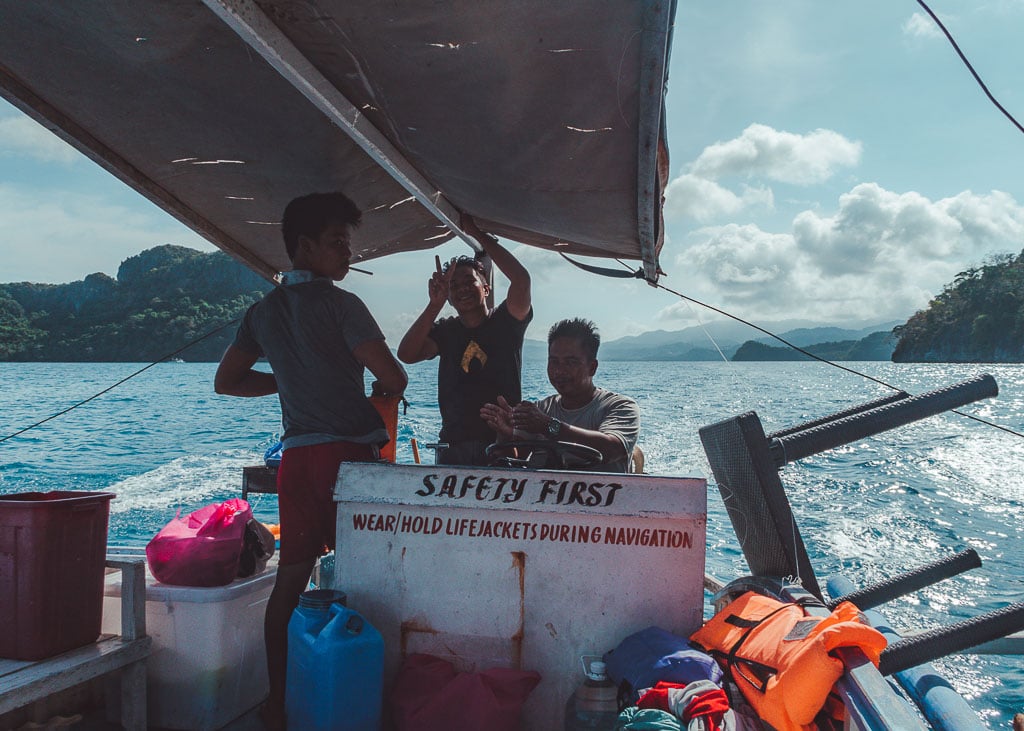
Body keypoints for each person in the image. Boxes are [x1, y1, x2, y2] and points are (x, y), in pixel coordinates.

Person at [213, 191, 407, 731]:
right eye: (337, 244)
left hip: (297, 462)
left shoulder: (262, 312)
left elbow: (225, 382)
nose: (347, 255)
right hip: (350, 461)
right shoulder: (343, 306)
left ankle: (277, 703)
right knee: (372, 577)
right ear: (304, 247)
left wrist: (289, 381)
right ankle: (369, 694)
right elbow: (394, 379)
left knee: (290, 582)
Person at [397, 214, 532, 465]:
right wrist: (434, 305)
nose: (462, 288)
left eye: (469, 281)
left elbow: (522, 281)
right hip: (453, 446)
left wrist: (478, 235)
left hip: (501, 445)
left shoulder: (507, 322)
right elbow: (406, 354)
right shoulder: (446, 331)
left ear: (486, 288)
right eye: (454, 286)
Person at [480, 318, 639, 472]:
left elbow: (611, 449)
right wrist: (506, 435)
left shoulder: (620, 406)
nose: (559, 370)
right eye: (554, 361)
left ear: (592, 367)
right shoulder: (540, 409)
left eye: (571, 362)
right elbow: (514, 461)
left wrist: (548, 426)